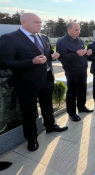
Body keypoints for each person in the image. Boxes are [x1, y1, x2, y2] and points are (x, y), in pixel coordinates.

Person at [0, 13, 68, 151]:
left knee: (47, 105)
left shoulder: (43, 37)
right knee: (29, 112)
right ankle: (32, 138)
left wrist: (52, 56)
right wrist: (31, 62)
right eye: (36, 22)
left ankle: (50, 126)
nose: (40, 24)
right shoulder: (10, 38)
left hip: (47, 79)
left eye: (40, 22)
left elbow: (46, 55)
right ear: (24, 22)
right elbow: (4, 62)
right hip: (26, 83)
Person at [57, 22, 94, 122]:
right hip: (72, 71)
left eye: (79, 30)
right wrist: (77, 54)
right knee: (72, 92)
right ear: (69, 30)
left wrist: (87, 54)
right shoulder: (62, 42)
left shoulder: (79, 40)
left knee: (82, 89)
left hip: (82, 69)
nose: (79, 32)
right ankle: (72, 113)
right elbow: (62, 58)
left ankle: (81, 107)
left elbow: (82, 55)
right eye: (76, 30)